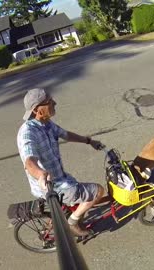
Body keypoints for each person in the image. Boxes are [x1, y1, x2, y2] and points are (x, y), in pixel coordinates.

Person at [17, 88, 105, 237]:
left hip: (60, 178)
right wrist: (41, 174)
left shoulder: (46, 123)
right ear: (37, 110)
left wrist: (89, 141)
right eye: (50, 102)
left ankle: (63, 218)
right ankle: (72, 223)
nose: (55, 103)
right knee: (97, 191)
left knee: (76, 198)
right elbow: (29, 161)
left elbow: (65, 134)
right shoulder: (28, 133)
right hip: (53, 187)